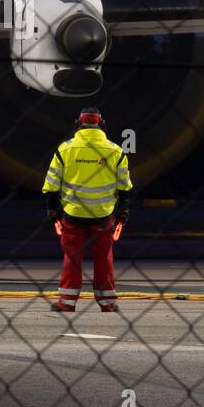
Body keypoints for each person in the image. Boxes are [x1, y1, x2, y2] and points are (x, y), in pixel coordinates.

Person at [41, 108, 132, 312]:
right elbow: (125, 186)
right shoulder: (115, 151)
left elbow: (52, 184)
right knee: (104, 258)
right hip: (103, 214)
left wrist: (53, 212)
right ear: (102, 125)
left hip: (73, 214)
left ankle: (67, 302)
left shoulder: (65, 149)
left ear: (77, 125)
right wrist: (123, 213)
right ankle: (108, 303)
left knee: (72, 258)